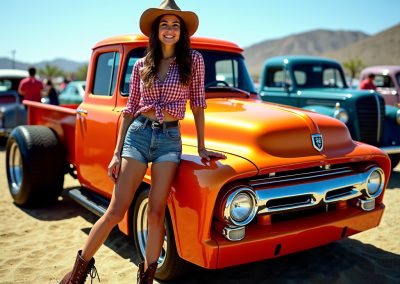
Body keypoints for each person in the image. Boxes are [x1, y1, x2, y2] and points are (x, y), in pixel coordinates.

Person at [59, 1, 226, 283]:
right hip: (137, 134)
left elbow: (198, 104)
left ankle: (146, 277)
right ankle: (77, 273)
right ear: (156, 30)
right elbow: (129, 110)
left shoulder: (193, 60)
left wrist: (200, 146)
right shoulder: (141, 65)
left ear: (181, 31)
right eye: (164, 24)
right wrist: (115, 152)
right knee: (116, 209)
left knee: (157, 211)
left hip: (170, 140)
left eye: (175, 25)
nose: (170, 30)